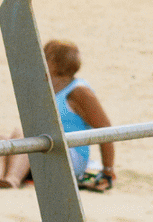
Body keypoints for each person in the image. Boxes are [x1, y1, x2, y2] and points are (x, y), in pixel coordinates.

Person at [4, 40, 115, 192]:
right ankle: (3, 178)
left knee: (24, 133)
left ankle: (12, 179)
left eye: (44, 55)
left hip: (69, 157)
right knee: (5, 139)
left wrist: (107, 171)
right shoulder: (47, 87)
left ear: (55, 62)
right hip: (46, 149)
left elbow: (105, 129)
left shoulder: (78, 91)